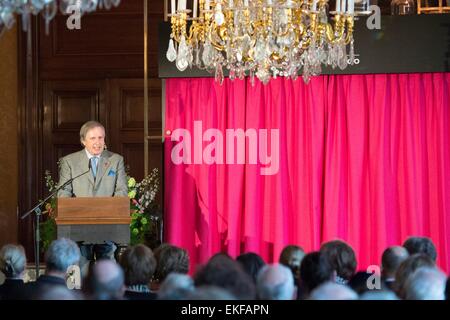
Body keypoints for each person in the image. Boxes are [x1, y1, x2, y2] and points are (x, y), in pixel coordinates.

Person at [57, 120, 127, 198]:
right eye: (93, 138)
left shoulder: (116, 160)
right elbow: (64, 192)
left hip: (108, 209)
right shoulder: (69, 162)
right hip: (79, 209)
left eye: (100, 138)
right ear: (83, 141)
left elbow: (122, 190)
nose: (98, 142)